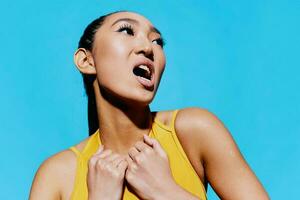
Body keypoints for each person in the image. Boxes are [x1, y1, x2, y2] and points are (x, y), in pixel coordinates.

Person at [29, 11, 269, 200]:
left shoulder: (193, 132)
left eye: (157, 41)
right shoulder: (58, 174)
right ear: (86, 60)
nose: (148, 47)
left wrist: (166, 192)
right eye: (126, 30)